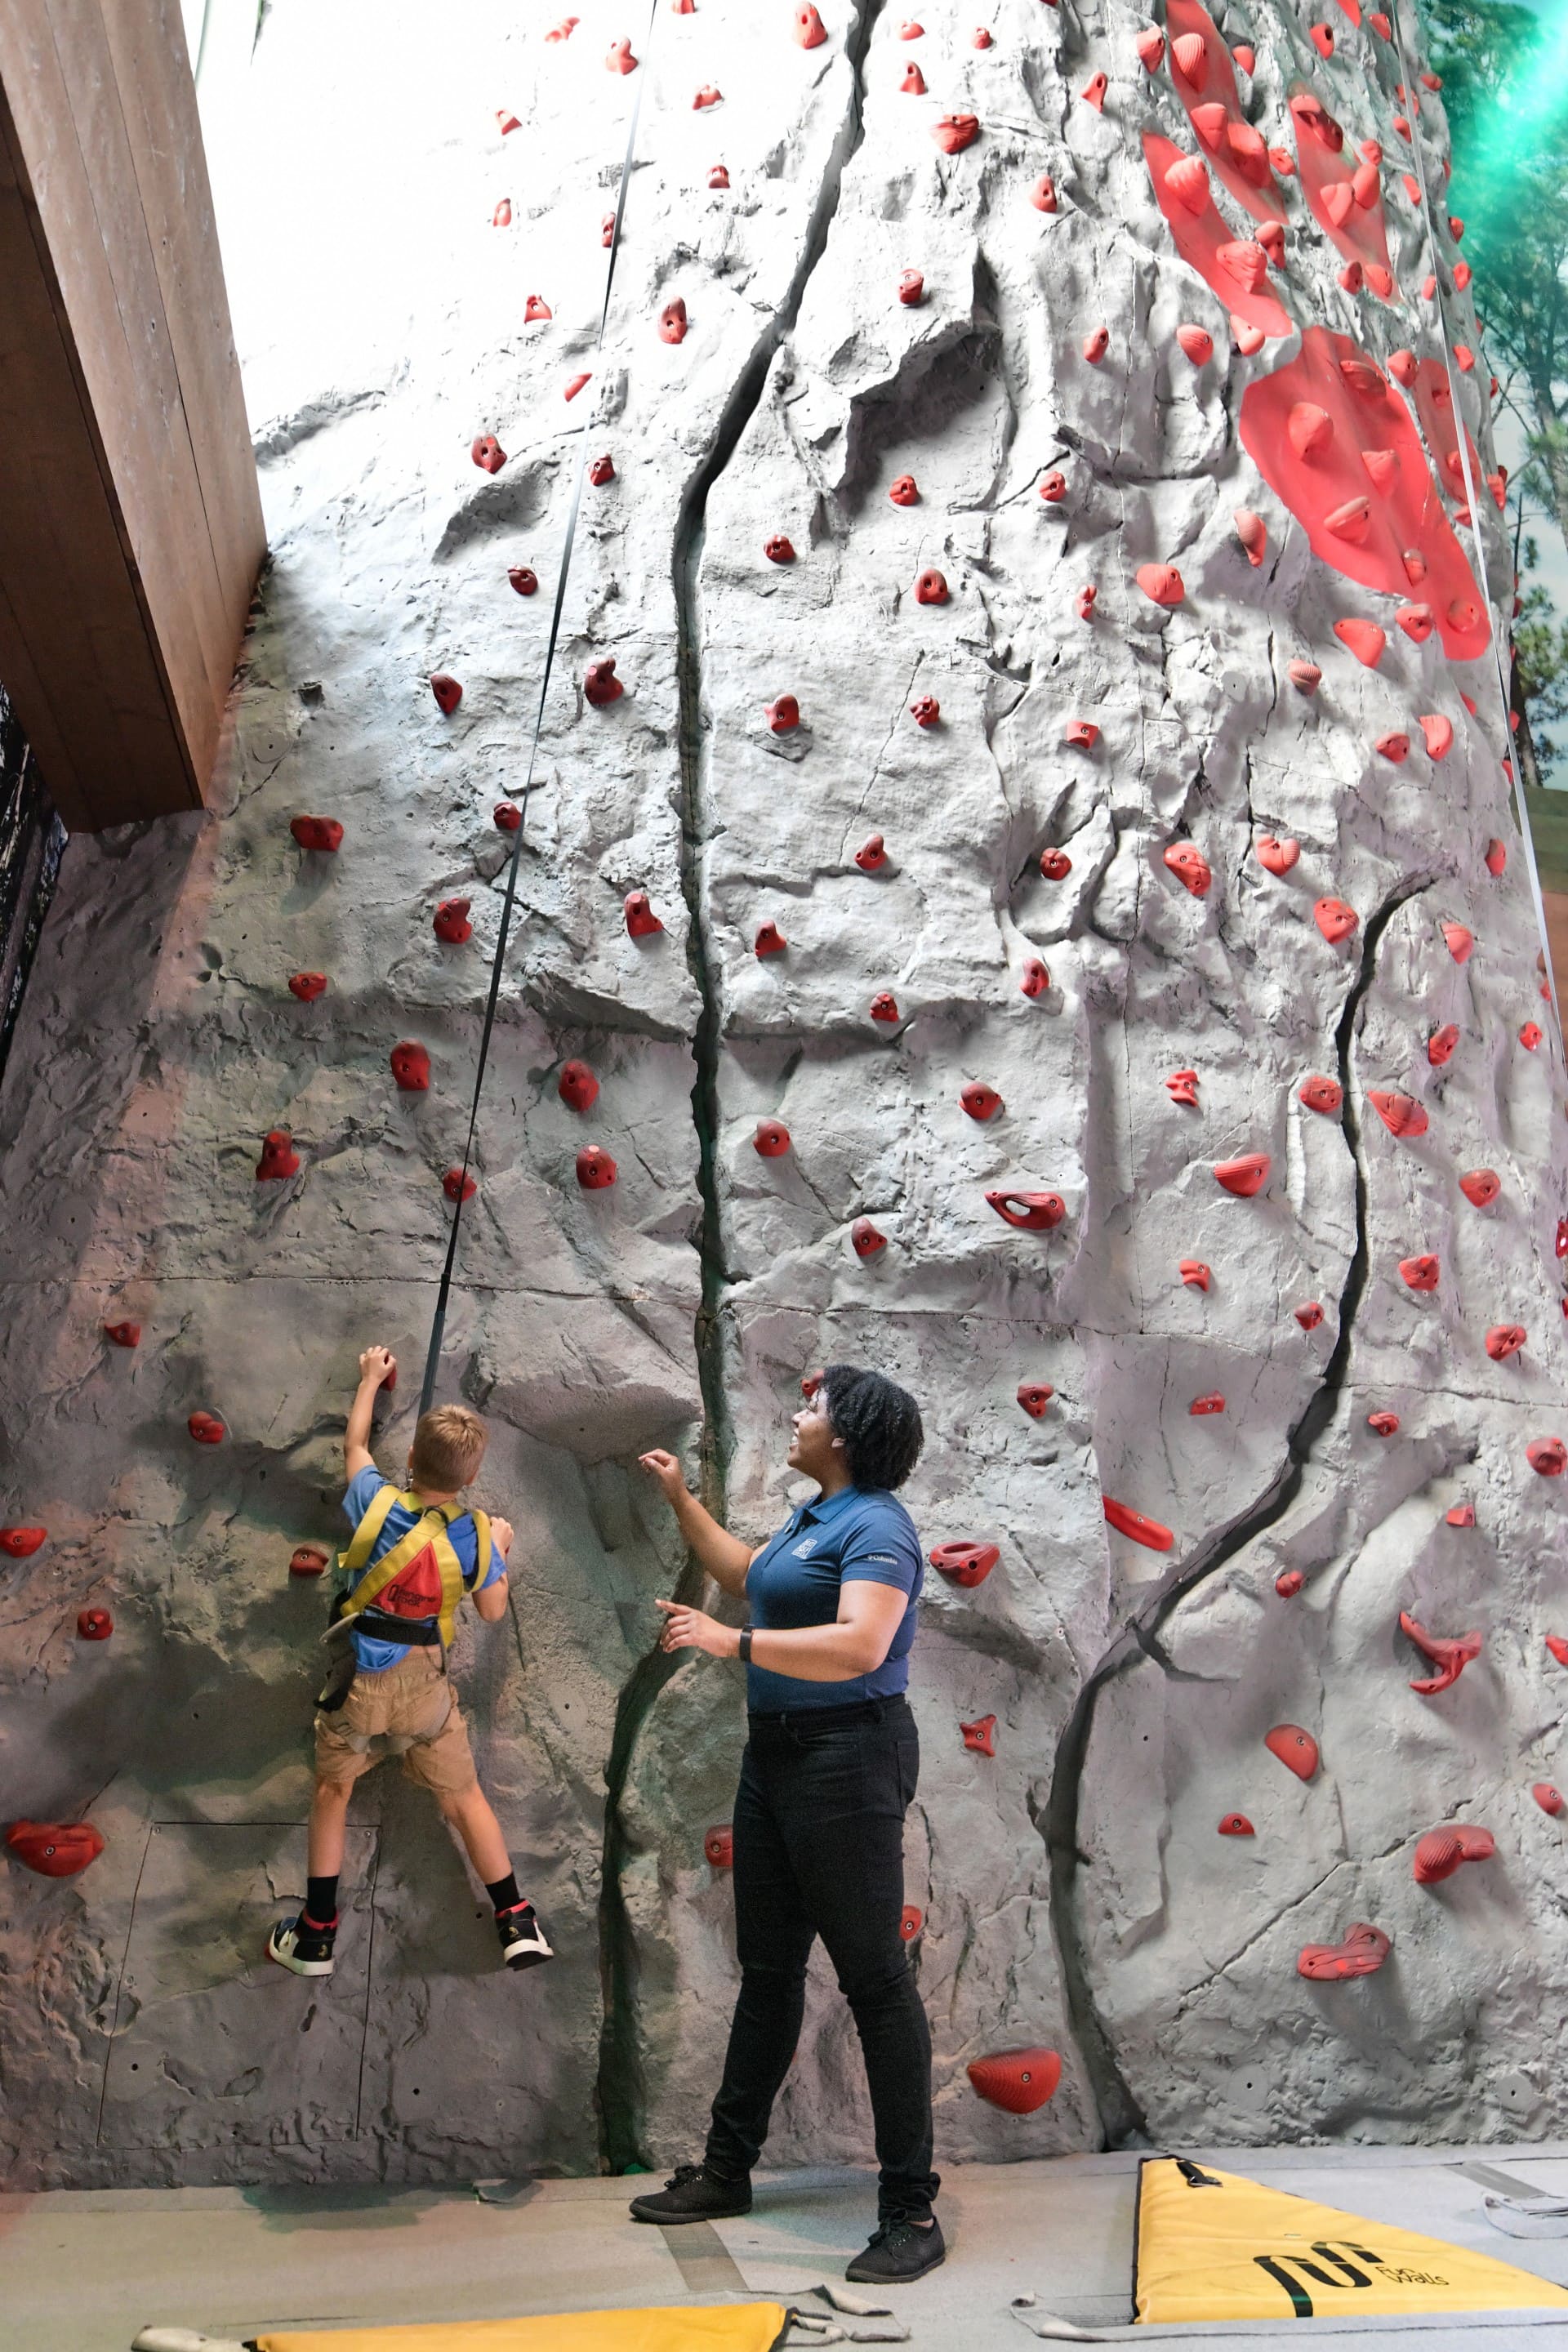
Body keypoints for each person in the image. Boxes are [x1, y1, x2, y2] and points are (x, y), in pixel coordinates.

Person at [628, 1363, 941, 2287]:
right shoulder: (813, 1520)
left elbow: (862, 1644)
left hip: (849, 1756)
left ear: (845, 1435)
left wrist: (732, 1643)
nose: (798, 1417)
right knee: (768, 1973)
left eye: (813, 1407)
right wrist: (681, 1497)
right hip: (776, 1757)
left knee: (877, 1984)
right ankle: (727, 2174)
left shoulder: (879, 1524)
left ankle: (909, 2211)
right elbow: (746, 1574)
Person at [267, 1344, 552, 1980]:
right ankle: (516, 1918)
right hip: (424, 1691)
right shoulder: (477, 1533)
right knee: (464, 1797)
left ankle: (315, 1936)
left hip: (360, 1684)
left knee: (333, 1790)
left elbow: (355, 1446)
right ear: (471, 1478)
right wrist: (500, 1546)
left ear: (413, 1460)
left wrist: (370, 1379)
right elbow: (494, 1610)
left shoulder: (374, 1498)